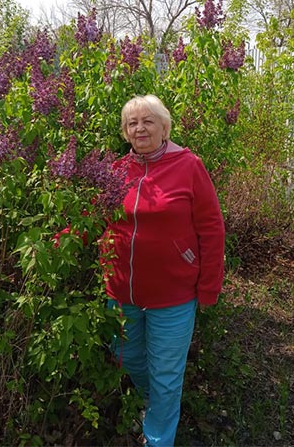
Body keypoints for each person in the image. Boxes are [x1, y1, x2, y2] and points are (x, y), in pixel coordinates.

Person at [101, 94, 225, 446]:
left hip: (173, 295)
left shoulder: (189, 166)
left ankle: (157, 438)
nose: (140, 128)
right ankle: (154, 405)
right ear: (125, 132)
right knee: (126, 357)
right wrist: (55, 241)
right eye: (132, 123)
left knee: (167, 375)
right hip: (121, 290)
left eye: (148, 121)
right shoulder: (116, 171)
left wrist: (209, 287)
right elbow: (92, 217)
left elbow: (212, 229)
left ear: (165, 127)